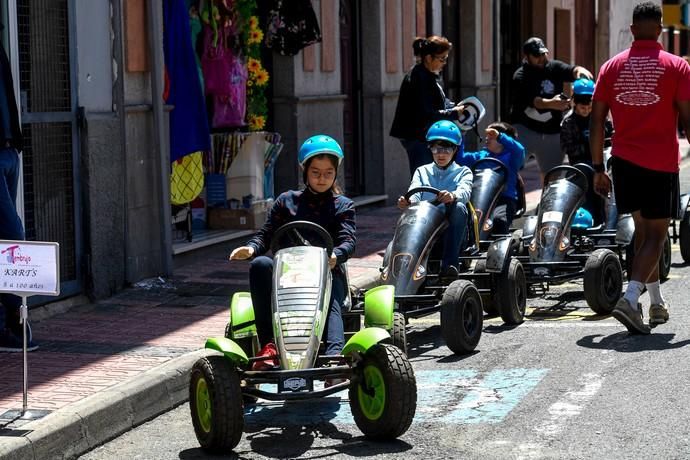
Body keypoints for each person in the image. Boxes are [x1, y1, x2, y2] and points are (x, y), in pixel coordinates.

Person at [590, 2, 690, 334]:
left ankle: (657, 303)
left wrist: (596, 168)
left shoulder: (610, 67)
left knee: (643, 236)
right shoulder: (677, 67)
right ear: (660, 29)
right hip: (660, 162)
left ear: (632, 29)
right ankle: (630, 299)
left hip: (623, 161)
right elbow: (688, 120)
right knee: (657, 238)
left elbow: (596, 122)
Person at [229, 135, 356, 374]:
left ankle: (333, 357)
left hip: (327, 271)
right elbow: (265, 235)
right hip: (287, 275)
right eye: (316, 172)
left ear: (335, 173)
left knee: (333, 297)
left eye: (328, 173)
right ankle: (270, 347)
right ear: (305, 171)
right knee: (260, 264)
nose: (322, 178)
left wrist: (336, 256)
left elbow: (349, 241)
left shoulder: (343, 205)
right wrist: (252, 248)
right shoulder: (286, 202)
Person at [509, 36, 593, 181]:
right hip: (524, 128)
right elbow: (535, 102)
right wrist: (552, 103)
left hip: (551, 131)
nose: (541, 58)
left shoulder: (554, 67)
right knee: (510, 167)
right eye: (537, 55)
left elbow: (572, 70)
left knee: (552, 176)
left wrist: (580, 72)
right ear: (527, 56)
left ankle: (547, 202)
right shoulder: (520, 76)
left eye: (543, 53)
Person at [397, 120, 472, 278]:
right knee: (409, 213)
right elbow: (414, 190)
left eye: (446, 148)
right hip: (424, 228)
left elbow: (465, 191)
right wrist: (407, 201)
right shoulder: (422, 171)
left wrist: (453, 195)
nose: (441, 154)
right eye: (436, 148)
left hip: (451, 232)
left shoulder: (463, 172)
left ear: (455, 149)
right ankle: (400, 270)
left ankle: (450, 263)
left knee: (459, 207)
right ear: (430, 148)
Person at [0, 37, 35, 352]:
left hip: (10, 149)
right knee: (12, 234)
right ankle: (15, 315)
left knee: (7, 236)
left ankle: (8, 320)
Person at [390, 36, 465, 177]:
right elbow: (427, 113)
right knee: (424, 179)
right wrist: (453, 113)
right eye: (441, 59)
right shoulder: (419, 77)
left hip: (421, 135)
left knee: (429, 178)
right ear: (429, 58)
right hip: (418, 136)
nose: (444, 63)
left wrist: (455, 107)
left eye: (446, 59)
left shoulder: (425, 75)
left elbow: (437, 102)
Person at [561, 78, 614, 225]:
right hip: (581, 166)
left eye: (589, 106)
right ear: (575, 103)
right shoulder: (568, 122)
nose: (586, 109)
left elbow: (611, 136)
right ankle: (590, 222)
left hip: (603, 162)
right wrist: (590, 145)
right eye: (582, 107)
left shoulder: (602, 118)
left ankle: (611, 222)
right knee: (587, 192)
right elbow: (568, 148)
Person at [456, 122, 526, 235]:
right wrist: (461, 134)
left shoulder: (512, 157)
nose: (487, 138)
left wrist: (500, 136)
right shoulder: (481, 155)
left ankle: (499, 245)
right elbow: (460, 160)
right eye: (487, 135)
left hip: (504, 199)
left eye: (491, 136)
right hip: (479, 197)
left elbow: (520, 150)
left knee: (499, 221)